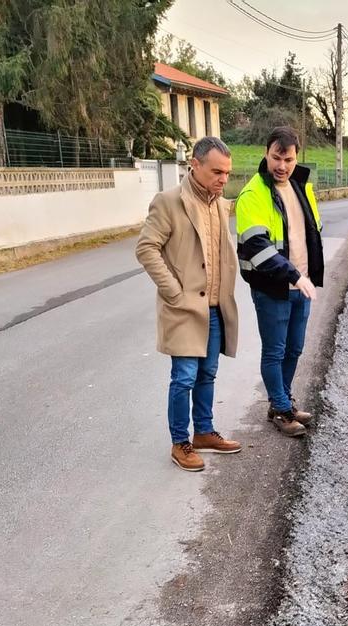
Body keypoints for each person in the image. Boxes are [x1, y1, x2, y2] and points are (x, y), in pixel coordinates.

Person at [136, 136, 242, 472]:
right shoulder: (168, 202)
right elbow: (146, 248)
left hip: (214, 308)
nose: (223, 179)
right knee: (184, 377)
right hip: (184, 308)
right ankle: (180, 442)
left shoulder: (219, 204)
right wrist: (173, 292)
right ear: (193, 165)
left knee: (208, 374)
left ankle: (204, 432)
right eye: (216, 171)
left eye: (226, 172)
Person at [235, 126, 324, 438]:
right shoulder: (253, 194)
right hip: (272, 287)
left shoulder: (301, 186)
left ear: (296, 156)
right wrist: (295, 276)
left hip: (301, 284)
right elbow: (256, 246)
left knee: (295, 348)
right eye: (276, 158)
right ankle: (280, 407)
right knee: (275, 350)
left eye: (288, 159)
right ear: (266, 153)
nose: (282, 166)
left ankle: (282, 402)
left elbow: (312, 230)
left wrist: (307, 274)